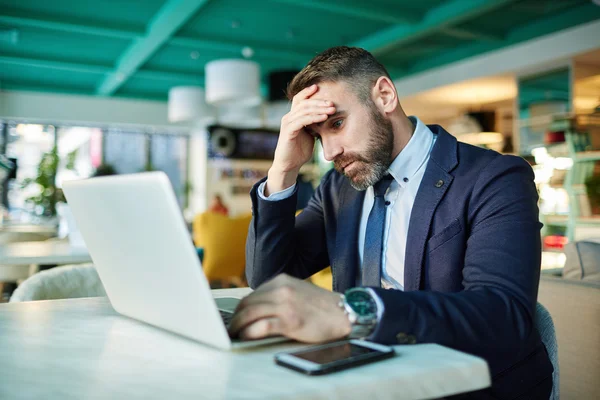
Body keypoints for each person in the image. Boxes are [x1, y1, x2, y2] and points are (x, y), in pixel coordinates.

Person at [229, 47, 552, 399]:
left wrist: (353, 313)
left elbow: (503, 315)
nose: (329, 152)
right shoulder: (338, 188)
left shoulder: (495, 178)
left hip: (472, 386)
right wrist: (283, 169)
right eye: (319, 136)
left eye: (337, 124)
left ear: (384, 96)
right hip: (364, 380)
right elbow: (268, 279)